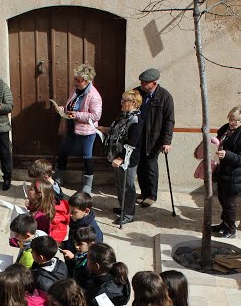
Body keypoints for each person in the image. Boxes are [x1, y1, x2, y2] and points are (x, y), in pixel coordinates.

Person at [53, 64, 102, 195]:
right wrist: (62, 109)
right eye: (75, 79)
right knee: (63, 152)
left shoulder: (94, 95)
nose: (76, 82)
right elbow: (71, 107)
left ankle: (87, 184)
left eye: (79, 80)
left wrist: (77, 115)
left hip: (86, 131)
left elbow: (96, 116)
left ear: (87, 80)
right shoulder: (75, 90)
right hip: (71, 128)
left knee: (87, 156)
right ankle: (58, 178)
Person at [134, 68, 175, 207]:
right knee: (140, 166)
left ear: (154, 83)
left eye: (145, 83)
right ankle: (143, 192)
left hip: (154, 138)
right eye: (141, 82)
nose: (142, 85)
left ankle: (151, 195)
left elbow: (169, 121)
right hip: (139, 136)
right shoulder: (137, 92)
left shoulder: (165, 96)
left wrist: (167, 141)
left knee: (150, 166)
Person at [210, 106, 241, 238]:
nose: (232, 122)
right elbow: (219, 141)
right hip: (223, 172)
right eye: (231, 119)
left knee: (230, 204)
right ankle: (224, 224)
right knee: (222, 199)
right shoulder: (225, 129)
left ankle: (231, 229)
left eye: (235, 120)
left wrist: (227, 154)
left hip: (234, 176)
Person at [103, 89, 143, 226]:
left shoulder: (136, 120)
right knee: (120, 184)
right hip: (116, 155)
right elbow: (118, 132)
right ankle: (123, 208)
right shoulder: (123, 117)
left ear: (133, 103)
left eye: (124, 100)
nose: (121, 102)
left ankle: (128, 214)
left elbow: (132, 142)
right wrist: (105, 130)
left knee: (127, 186)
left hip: (127, 159)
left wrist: (121, 158)